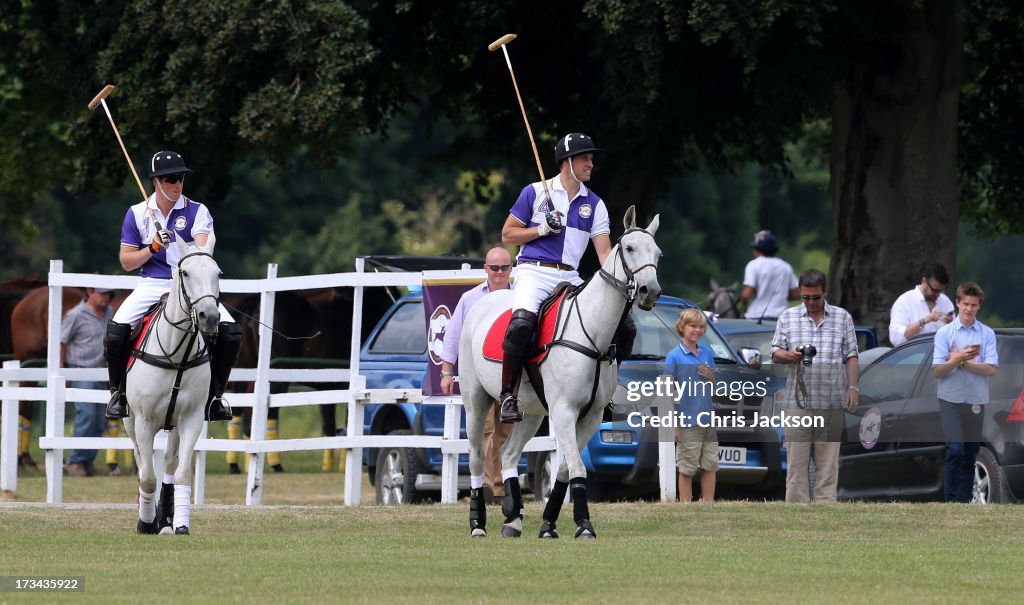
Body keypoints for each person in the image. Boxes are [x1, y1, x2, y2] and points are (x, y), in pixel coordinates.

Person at [499, 132, 636, 423]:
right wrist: (541, 229)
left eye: (591, 159)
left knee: (625, 327)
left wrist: (624, 278)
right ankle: (507, 395)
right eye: (585, 158)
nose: (590, 164)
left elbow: (604, 253)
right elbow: (507, 234)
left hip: (569, 277)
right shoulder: (535, 192)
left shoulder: (595, 204)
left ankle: (605, 394)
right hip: (533, 272)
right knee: (522, 323)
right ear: (567, 162)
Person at [104, 150, 240, 422]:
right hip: (152, 283)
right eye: (170, 179)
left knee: (231, 332)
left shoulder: (197, 211)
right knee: (116, 331)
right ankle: (118, 393)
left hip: (190, 285)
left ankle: (215, 398)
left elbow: (202, 250)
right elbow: (127, 262)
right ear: (156, 182)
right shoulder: (137, 213)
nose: (177, 184)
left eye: (180, 178)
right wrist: (152, 247)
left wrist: (182, 246)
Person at [771, 268, 859, 503]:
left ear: (825, 292)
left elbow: (851, 355)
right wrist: (789, 355)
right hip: (797, 403)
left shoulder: (842, 318)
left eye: (815, 298)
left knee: (828, 466)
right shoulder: (787, 317)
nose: (811, 302)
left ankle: (826, 511)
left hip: (831, 401)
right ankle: (796, 516)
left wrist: (852, 388)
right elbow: (775, 352)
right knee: (796, 467)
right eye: (805, 297)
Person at [439, 247, 513, 504]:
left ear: (511, 269)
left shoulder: (520, 298)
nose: (500, 272)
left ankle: (501, 486)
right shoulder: (471, 298)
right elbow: (453, 334)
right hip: (480, 376)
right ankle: (484, 485)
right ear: (485, 269)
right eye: (494, 268)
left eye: (504, 267)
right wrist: (446, 371)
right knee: (484, 429)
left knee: (505, 431)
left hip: (509, 376)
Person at [932, 282, 998, 503]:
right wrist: (957, 359)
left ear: (979, 306)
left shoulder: (987, 334)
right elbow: (937, 371)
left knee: (970, 452)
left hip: (976, 399)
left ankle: (963, 501)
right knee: (956, 449)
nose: (969, 309)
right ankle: (951, 500)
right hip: (950, 398)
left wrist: (962, 362)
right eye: (965, 304)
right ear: (958, 303)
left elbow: (991, 369)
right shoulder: (944, 333)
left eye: (974, 305)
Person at [664, 308, 718, 503]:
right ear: (682, 327)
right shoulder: (674, 356)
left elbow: (715, 386)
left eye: (701, 327)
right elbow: (668, 393)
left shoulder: (707, 353)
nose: (697, 330)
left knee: (710, 464)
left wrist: (710, 376)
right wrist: (674, 426)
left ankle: (708, 503)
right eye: (693, 326)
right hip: (687, 421)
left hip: (707, 419)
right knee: (687, 467)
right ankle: (686, 504)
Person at [60, 287, 115, 477]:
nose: (106, 297)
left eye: (109, 294)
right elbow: (62, 341)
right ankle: (75, 461)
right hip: (81, 369)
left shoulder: (110, 313)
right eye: (102, 293)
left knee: (99, 419)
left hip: (102, 371)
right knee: (87, 414)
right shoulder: (75, 314)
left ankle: (87, 461)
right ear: (90, 292)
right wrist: (62, 371)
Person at [888, 263, 954, 346]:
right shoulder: (904, 301)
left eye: (941, 291)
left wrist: (952, 324)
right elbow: (896, 339)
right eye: (934, 290)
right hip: (912, 355)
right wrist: (925, 321)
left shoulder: (945, 301)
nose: (938, 294)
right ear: (924, 281)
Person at [740, 229, 799, 321]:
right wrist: (780, 296)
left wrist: (742, 298)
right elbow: (795, 294)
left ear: (756, 250)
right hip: (781, 318)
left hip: (756, 316)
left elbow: (747, 294)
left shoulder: (753, 265)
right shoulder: (786, 266)